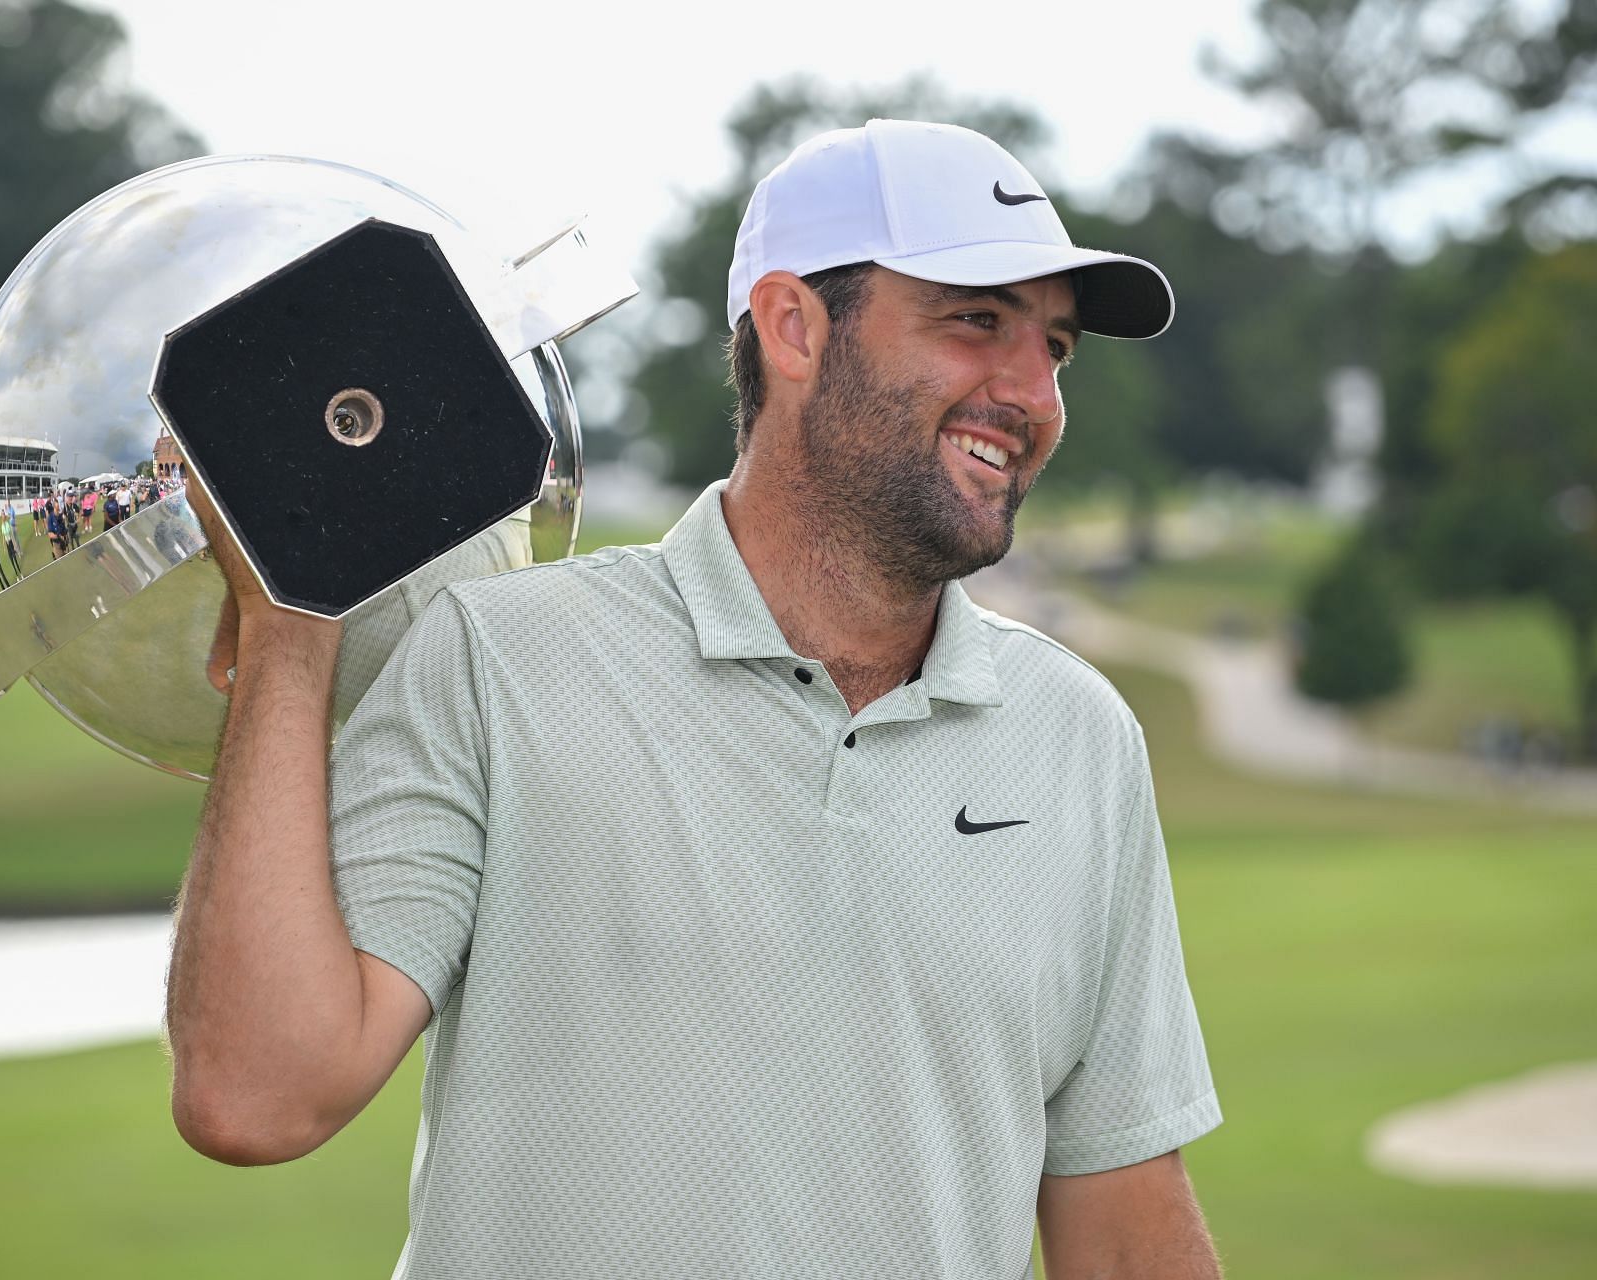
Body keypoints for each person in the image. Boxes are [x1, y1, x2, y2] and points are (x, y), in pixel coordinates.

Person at [167, 120, 1222, 1280]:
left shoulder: (1077, 738)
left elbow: (1124, 1227)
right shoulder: (500, 659)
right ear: (793, 328)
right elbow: (256, 1095)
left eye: (1056, 346)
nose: (1031, 392)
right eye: (976, 320)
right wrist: (289, 616)